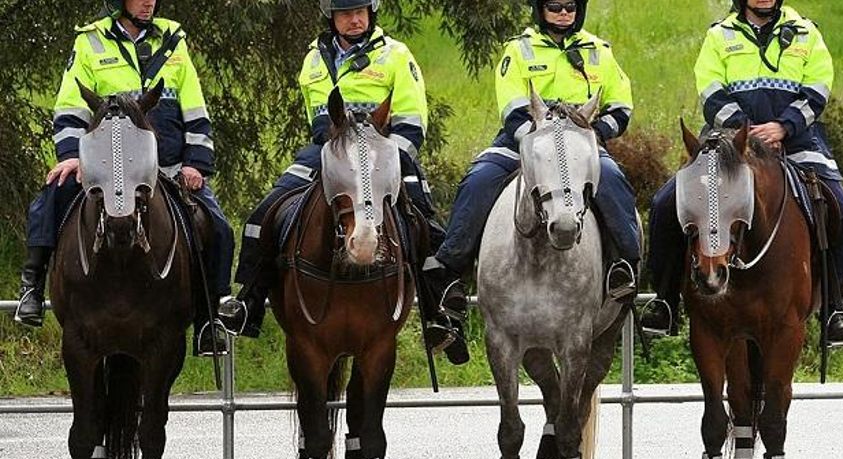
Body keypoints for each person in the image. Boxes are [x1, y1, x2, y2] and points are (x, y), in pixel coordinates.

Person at [421, 0, 641, 364]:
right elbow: (511, 108)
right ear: (540, 9)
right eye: (555, 6)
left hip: (579, 144)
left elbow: (621, 107)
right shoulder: (518, 49)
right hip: (524, 141)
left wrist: (593, 135)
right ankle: (451, 279)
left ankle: (624, 266)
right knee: (478, 181)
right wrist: (539, 141)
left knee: (614, 181)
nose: (563, 13)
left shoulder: (599, 51)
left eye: (570, 6)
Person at [218, 0, 446, 345]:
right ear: (332, 18)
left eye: (360, 12)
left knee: (422, 220)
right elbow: (320, 120)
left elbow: (412, 121)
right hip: (331, 151)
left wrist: (383, 161)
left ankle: (437, 313)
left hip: (384, 153)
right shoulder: (314, 58)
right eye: (345, 14)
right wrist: (341, 154)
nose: (354, 19)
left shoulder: (396, 55)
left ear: (371, 13)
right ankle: (250, 301)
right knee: (264, 214)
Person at [14, 0, 235, 357]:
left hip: (167, 167)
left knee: (218, 225)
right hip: (103, 167)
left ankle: (211, 319)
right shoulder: (90, 41)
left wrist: (195, 163)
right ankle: (32, 289)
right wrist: (71, 157)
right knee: (52, 195)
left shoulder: (173, 39)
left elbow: (195, 107)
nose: (149, 2)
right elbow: (70, 106)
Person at [642, 0, 843, 347]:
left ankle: (835, 308)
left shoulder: (806, 32)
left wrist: (783, 126)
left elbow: (818, 88)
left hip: (797, 142)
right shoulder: (719, 35)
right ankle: (665, 300)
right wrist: (745, 130)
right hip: (729, 144)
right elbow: (711, 92)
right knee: (664, 204)